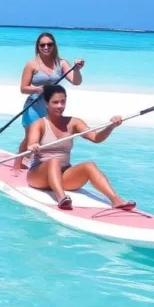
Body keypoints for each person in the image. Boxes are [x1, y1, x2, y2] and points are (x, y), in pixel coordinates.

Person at [26, 85, 136, 211]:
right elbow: (32, 142)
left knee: (89, 165)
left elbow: (96, 138)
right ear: (46, 103)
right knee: (54, 160)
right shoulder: (38, 124)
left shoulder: (74, 123)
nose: (60, 106)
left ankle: (115, 200)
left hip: (63, 176)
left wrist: (111, 127)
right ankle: (62, 198)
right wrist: (34, 145)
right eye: (55, 102)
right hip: (38, 177)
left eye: (63, 101)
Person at [15, 32, 85, 172]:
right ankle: (16, 165)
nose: (46, 47)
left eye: (49, 44)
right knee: (30, 137)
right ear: (38, 47)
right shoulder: (32, 64)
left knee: (47, 139)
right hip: (33, 107)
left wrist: (76, 69)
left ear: (54, 45)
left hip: (51, 108)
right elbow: (23, 88)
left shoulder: (62, 63)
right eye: (42, 45)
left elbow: (76, 81)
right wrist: (39, 89)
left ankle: (41, 167)